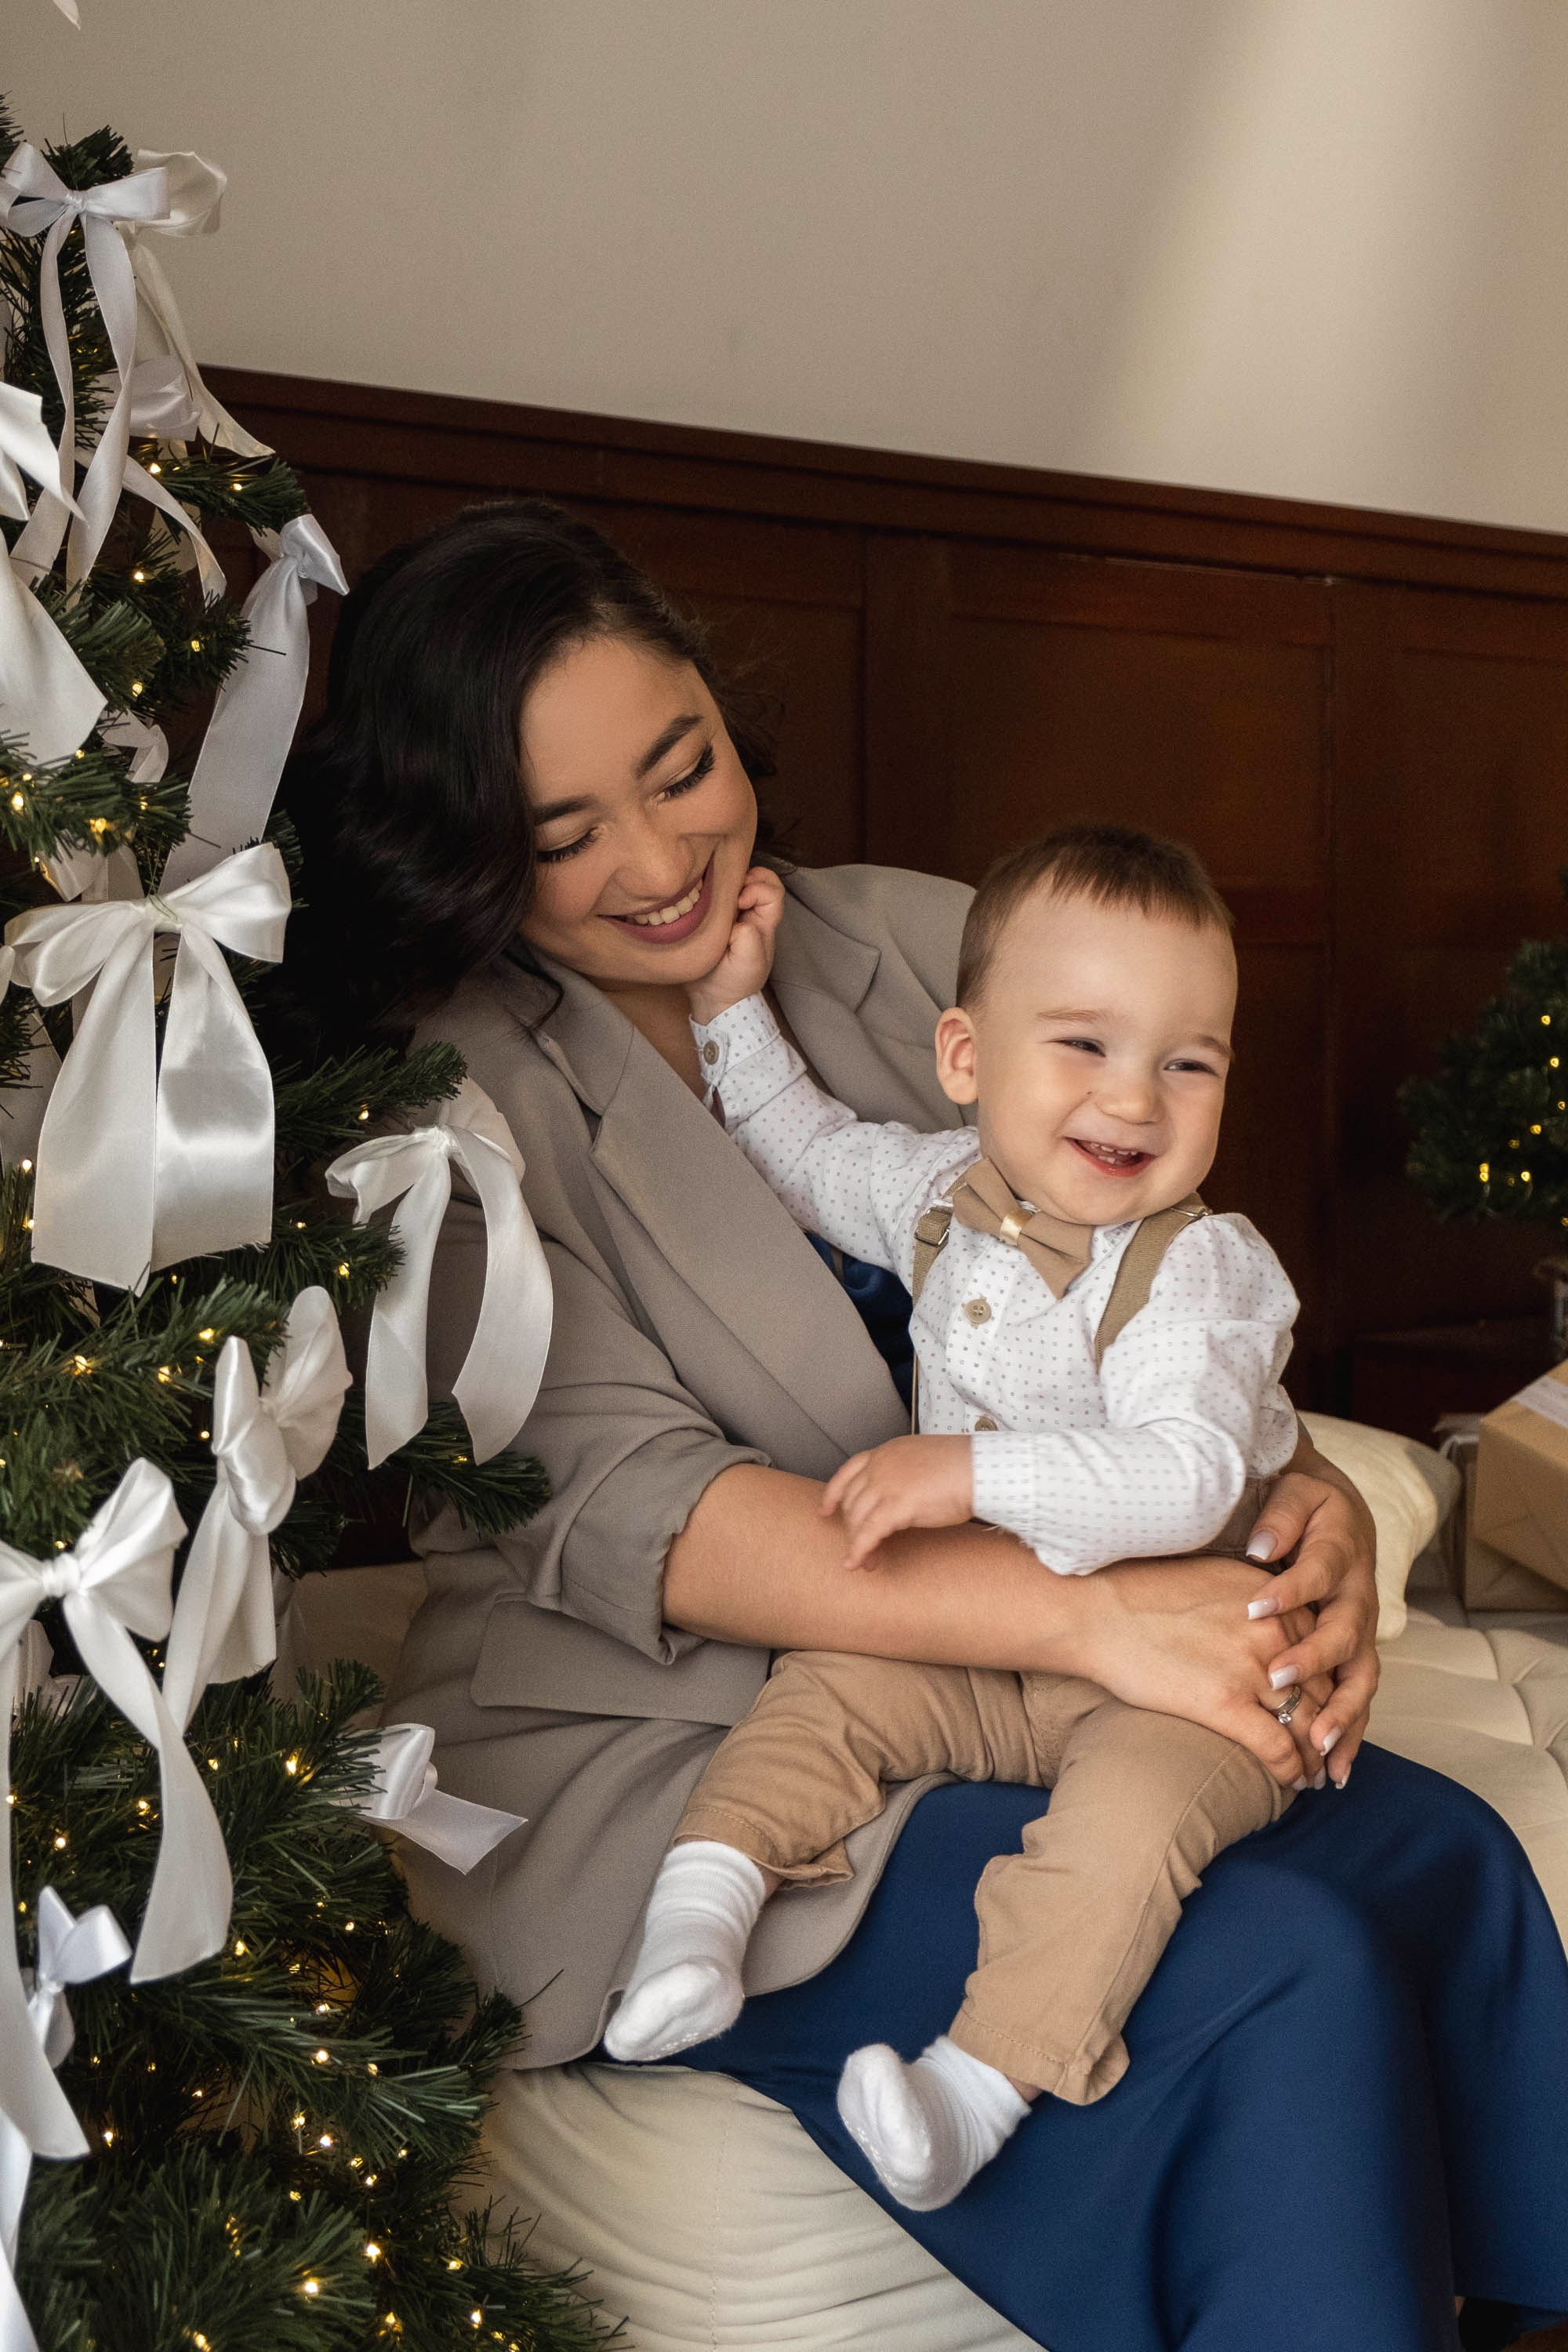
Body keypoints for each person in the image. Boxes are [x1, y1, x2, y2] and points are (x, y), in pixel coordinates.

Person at [282, 496, 1568, 2352]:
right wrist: (1094, 1617)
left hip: (1060, 1677)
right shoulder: (438, 1106)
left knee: (1441, 1851)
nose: (660, 861)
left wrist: (1310, 1528)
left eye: (683, 768)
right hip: (678, 1729)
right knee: (1281, 1967)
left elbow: (1160, 1293)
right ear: (463, 847)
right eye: (563, 833)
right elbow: (659, 1517)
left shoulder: (931, 950)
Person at [607, 826, 1312, 2212]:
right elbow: (804, 1152)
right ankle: (696, 1925)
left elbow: (1187, 1474)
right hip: (995, 1646)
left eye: (1190, 1061)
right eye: (1086, 1046)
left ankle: (981, 2086)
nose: (1137, 1099)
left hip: (1180, 1680)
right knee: (822, 1694)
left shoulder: (1201, 1268)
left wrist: (968, 1478)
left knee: (1125, 1834)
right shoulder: (942, 1198)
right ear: (967, 1062)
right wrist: (728, 1010)